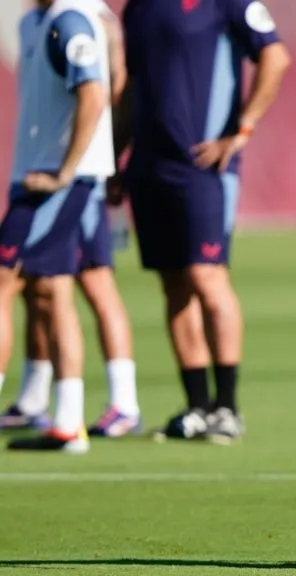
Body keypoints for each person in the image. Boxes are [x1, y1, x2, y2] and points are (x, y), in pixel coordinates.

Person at [114, 0, 290, 443]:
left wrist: (243, 128)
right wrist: (116, 157)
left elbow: (275, 55)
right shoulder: (138, 9)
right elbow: (131, 88)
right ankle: (197, 406)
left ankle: (228, 408)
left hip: (203, 167)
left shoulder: (227, 3)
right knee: (173, 284)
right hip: (150, 166)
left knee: (206, 276)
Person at [0, 2, 142, 439]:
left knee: (32, 282)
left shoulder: (78, 19)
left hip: (68, 179)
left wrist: (76, 168)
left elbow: (104, 92)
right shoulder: (34, 22)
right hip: (43, 173)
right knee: (55, 285)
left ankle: (103, 405)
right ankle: (51, 407)